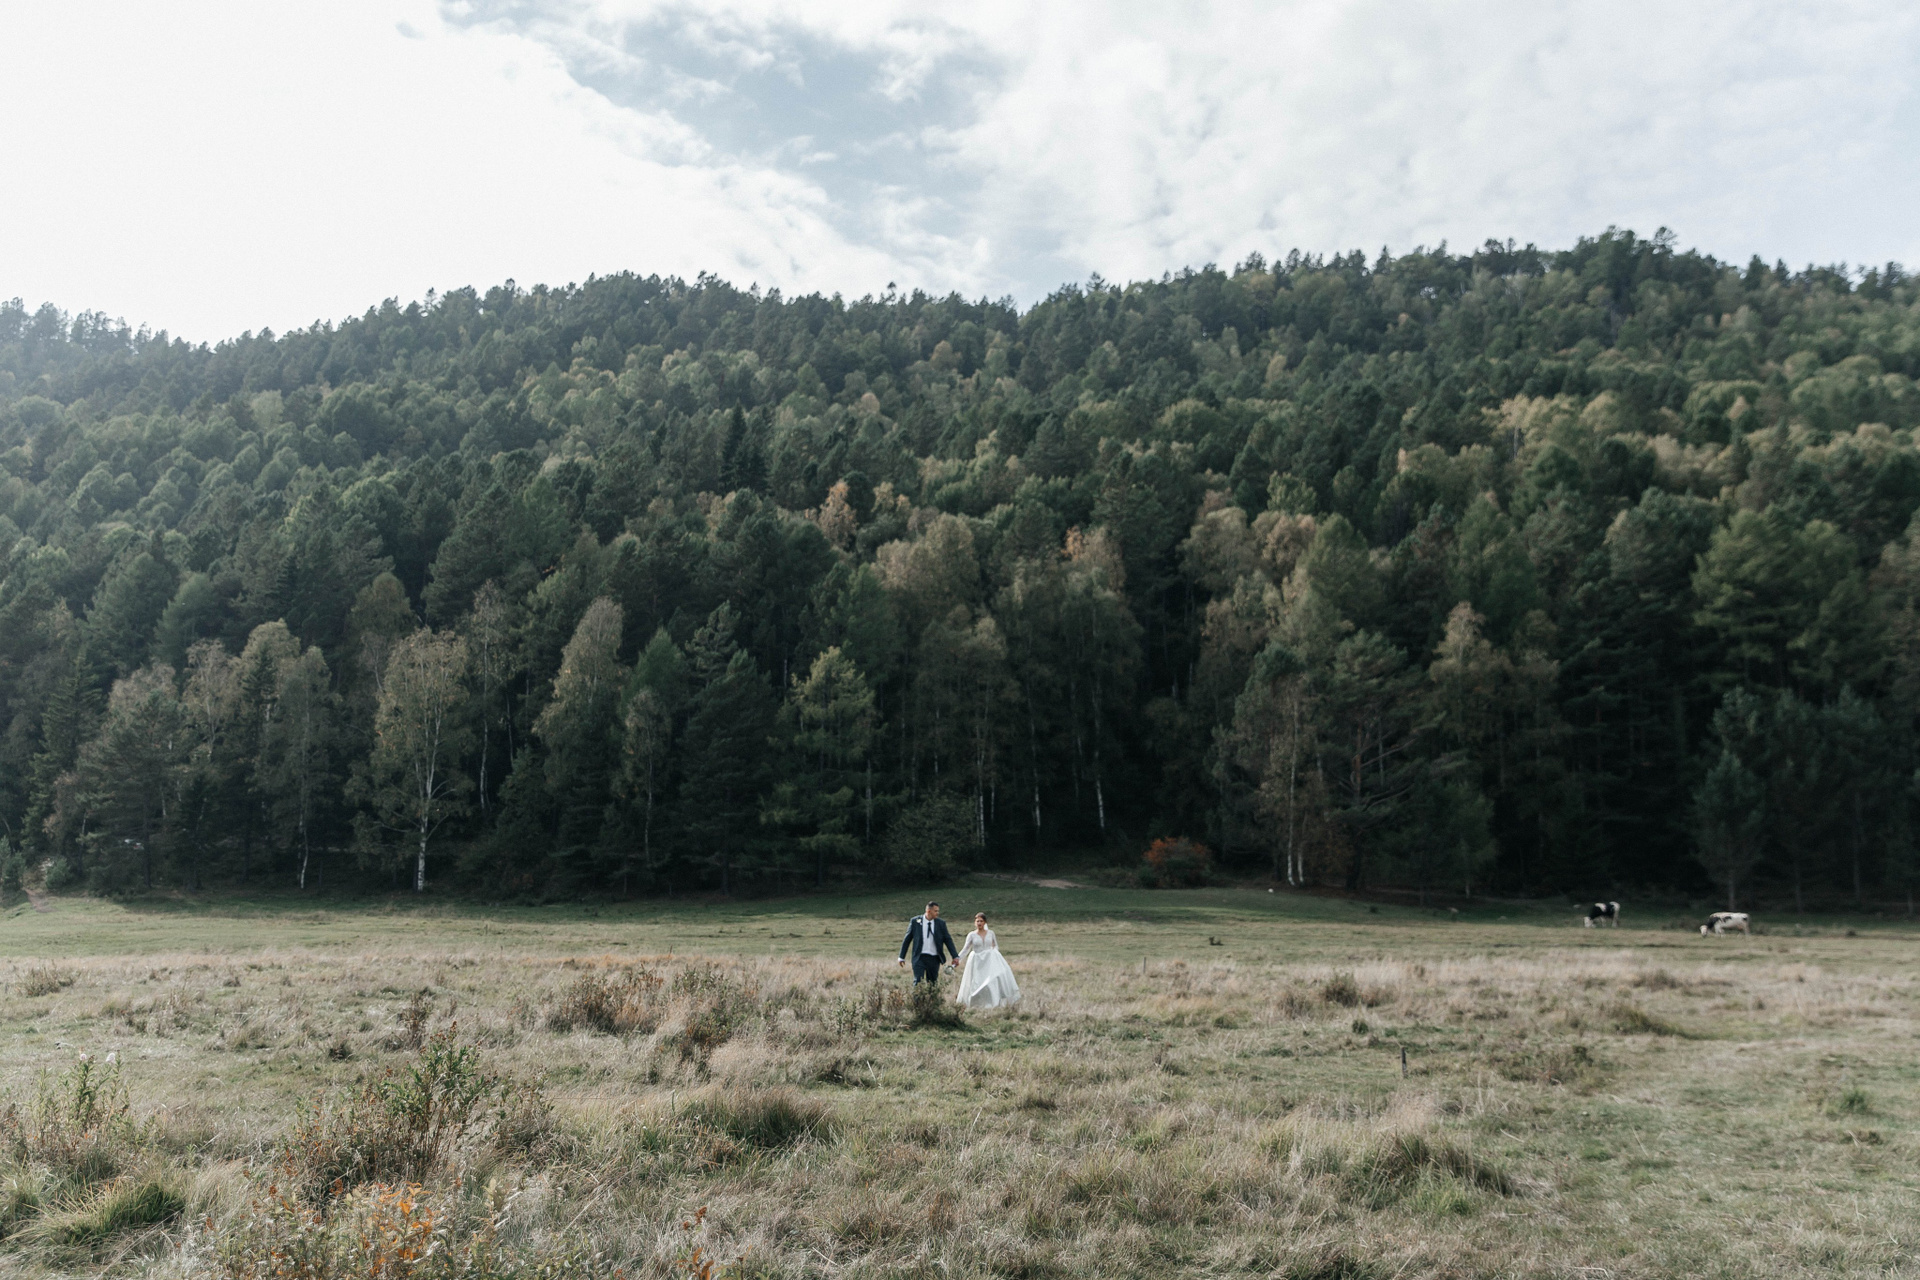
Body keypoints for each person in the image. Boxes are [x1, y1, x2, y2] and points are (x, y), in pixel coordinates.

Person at [953, 911, 1021, 1009]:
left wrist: (994, 955)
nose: (979, 923)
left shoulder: (991, 933)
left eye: (981, 921)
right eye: (977, 921)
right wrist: (958, 959)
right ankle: (975, 1004)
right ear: (975, 923)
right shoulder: (972, 935)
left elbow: (995, 945)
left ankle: (992, 1003)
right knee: (976, 982)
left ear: (985, 922)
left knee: (991, 982)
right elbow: (966, 949)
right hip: (977, 961)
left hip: (989, 961)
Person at [898, 900, 958, 985]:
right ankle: (917, 994)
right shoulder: (915, 922)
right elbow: (907, 939)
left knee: (932, 983)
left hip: (934, 958)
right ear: (929, 911)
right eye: (935, 911)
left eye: (938, 911)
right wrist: (901, 957)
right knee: (918, 981)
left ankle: (931, 994)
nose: (937, 913)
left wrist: (955, 956)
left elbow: (948, 940)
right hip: (919, 957)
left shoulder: (940, 923)